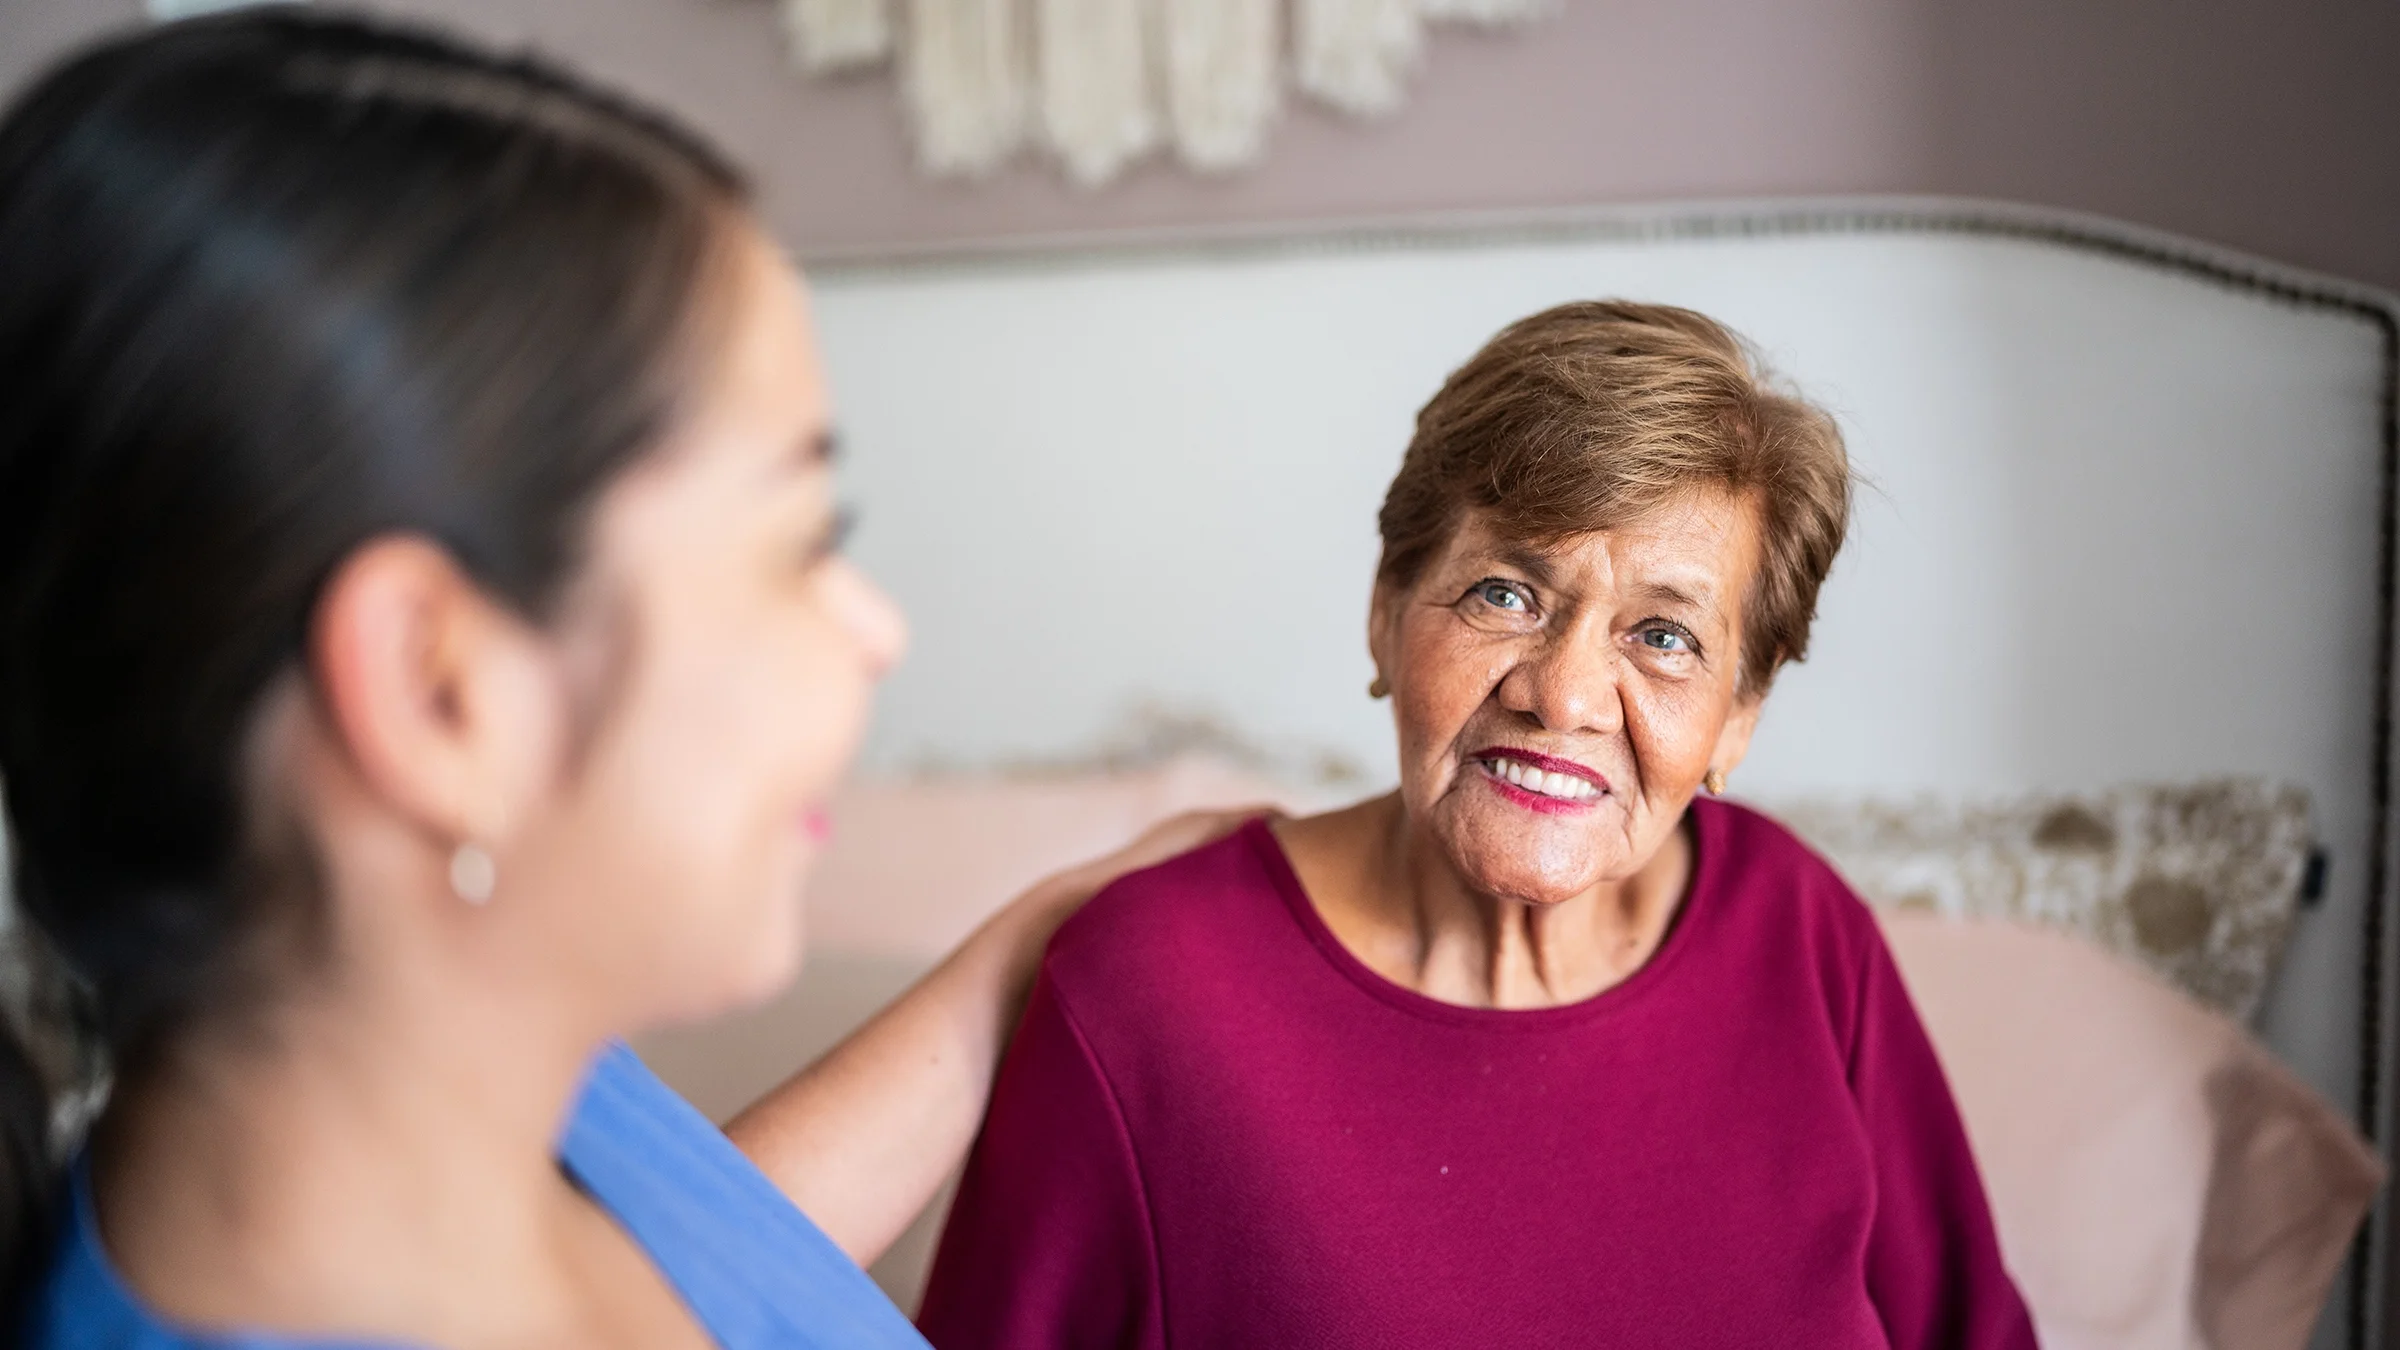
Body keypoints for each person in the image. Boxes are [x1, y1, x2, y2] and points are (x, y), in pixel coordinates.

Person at [0, 12, 1244, 1347]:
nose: (873, 628)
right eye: (801, 544)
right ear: (439, 693)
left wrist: (1028, 951)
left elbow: (715, 1269)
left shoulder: (477, 1081)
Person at [918, 302, 2041, 1348]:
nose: (1564, 697)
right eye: (1506, 594)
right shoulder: (1146, 988)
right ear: (1385, 615)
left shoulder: (1797, 929)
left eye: (1665, 637)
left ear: (1739, 717)